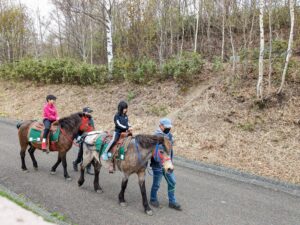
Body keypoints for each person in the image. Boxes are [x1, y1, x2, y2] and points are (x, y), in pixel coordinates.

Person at [150, 118, 182, 211]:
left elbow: (170, 150)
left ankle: (172, 202)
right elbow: (153, 152)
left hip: (168, 163)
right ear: (161, 126)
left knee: (172, 182)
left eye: (169, 127)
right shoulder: (155, 136)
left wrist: (171, 162)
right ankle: (153, 199)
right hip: (158, 164)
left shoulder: (170, 136)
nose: (168, 129)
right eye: (167, 127)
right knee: (156, 184)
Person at [102, 101, 132, 173]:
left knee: (130, 140)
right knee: (114, 140)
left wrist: (130, 126)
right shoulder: (117, 116)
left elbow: (127, 122)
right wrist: (126, 127)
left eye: (126, 108)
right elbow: (118, 125)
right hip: (118, 132)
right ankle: (105, 152)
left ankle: (123, 155)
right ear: (121, 108)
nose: (126, 110)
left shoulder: (126, 116)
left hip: (125, 132)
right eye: (125, 108)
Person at [73, 107, 95, 175]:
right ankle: (75, 162)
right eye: (88, 112)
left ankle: (88, 168)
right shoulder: (79, 120)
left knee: (90, 153)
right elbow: (75, 130)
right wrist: (78, 137)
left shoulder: (90, 119)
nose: (89, 113)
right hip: (82, 138)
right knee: (81, 155)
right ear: (84, 112)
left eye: (90, 112)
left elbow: (93, 128)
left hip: (90, 138)